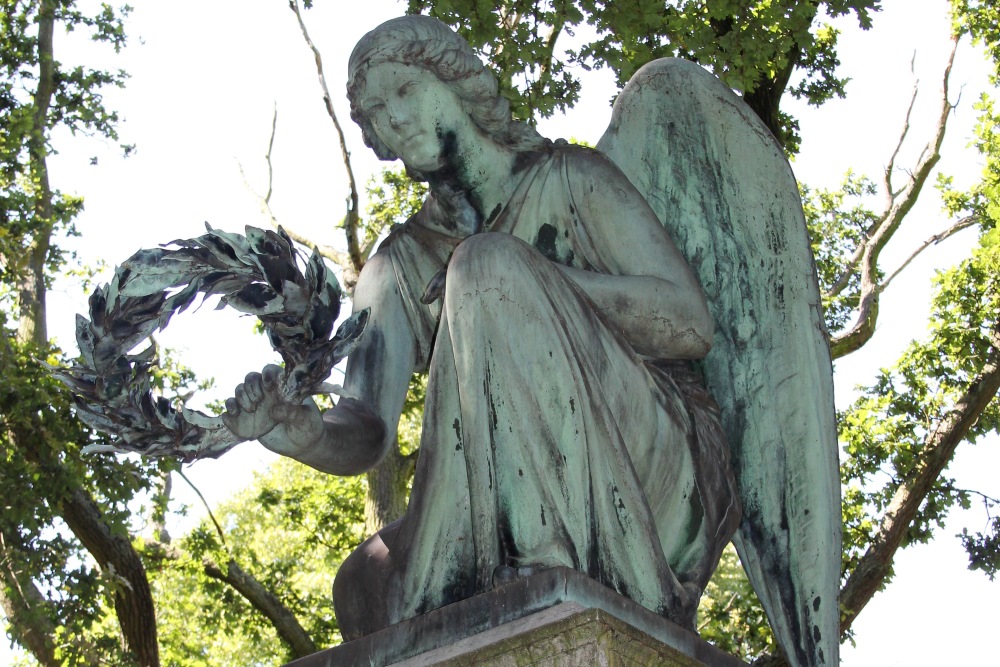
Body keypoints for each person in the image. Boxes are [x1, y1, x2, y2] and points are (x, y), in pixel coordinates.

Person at [224, 15, 740, 641]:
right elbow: (367, 429)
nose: (396, 120)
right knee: (363, 586)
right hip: (489, 483)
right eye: (378, 114)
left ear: (455, 79)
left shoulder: (570, 178)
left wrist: (540, 281)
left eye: (405, 92)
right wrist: (302, 432)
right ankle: (516, 566)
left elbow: (689, 324)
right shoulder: (398, 265)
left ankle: (544, 563)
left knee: (489, 263)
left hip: (650, 457)